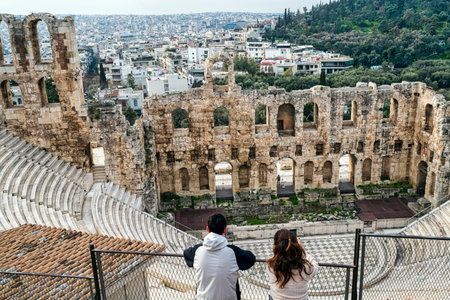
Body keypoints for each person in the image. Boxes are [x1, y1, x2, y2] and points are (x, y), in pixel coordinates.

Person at [183, 213, 256, 300]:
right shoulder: (233, 251)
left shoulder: (197, 250)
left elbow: (186, 253)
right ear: (225, 230)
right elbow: (251, 258)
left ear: (207, 229)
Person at [266, 229, 319, 300]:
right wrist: (301, 250)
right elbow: (315, 266)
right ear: (296, 245)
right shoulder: (305, 266)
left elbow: (278, 257)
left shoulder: (271, 265)